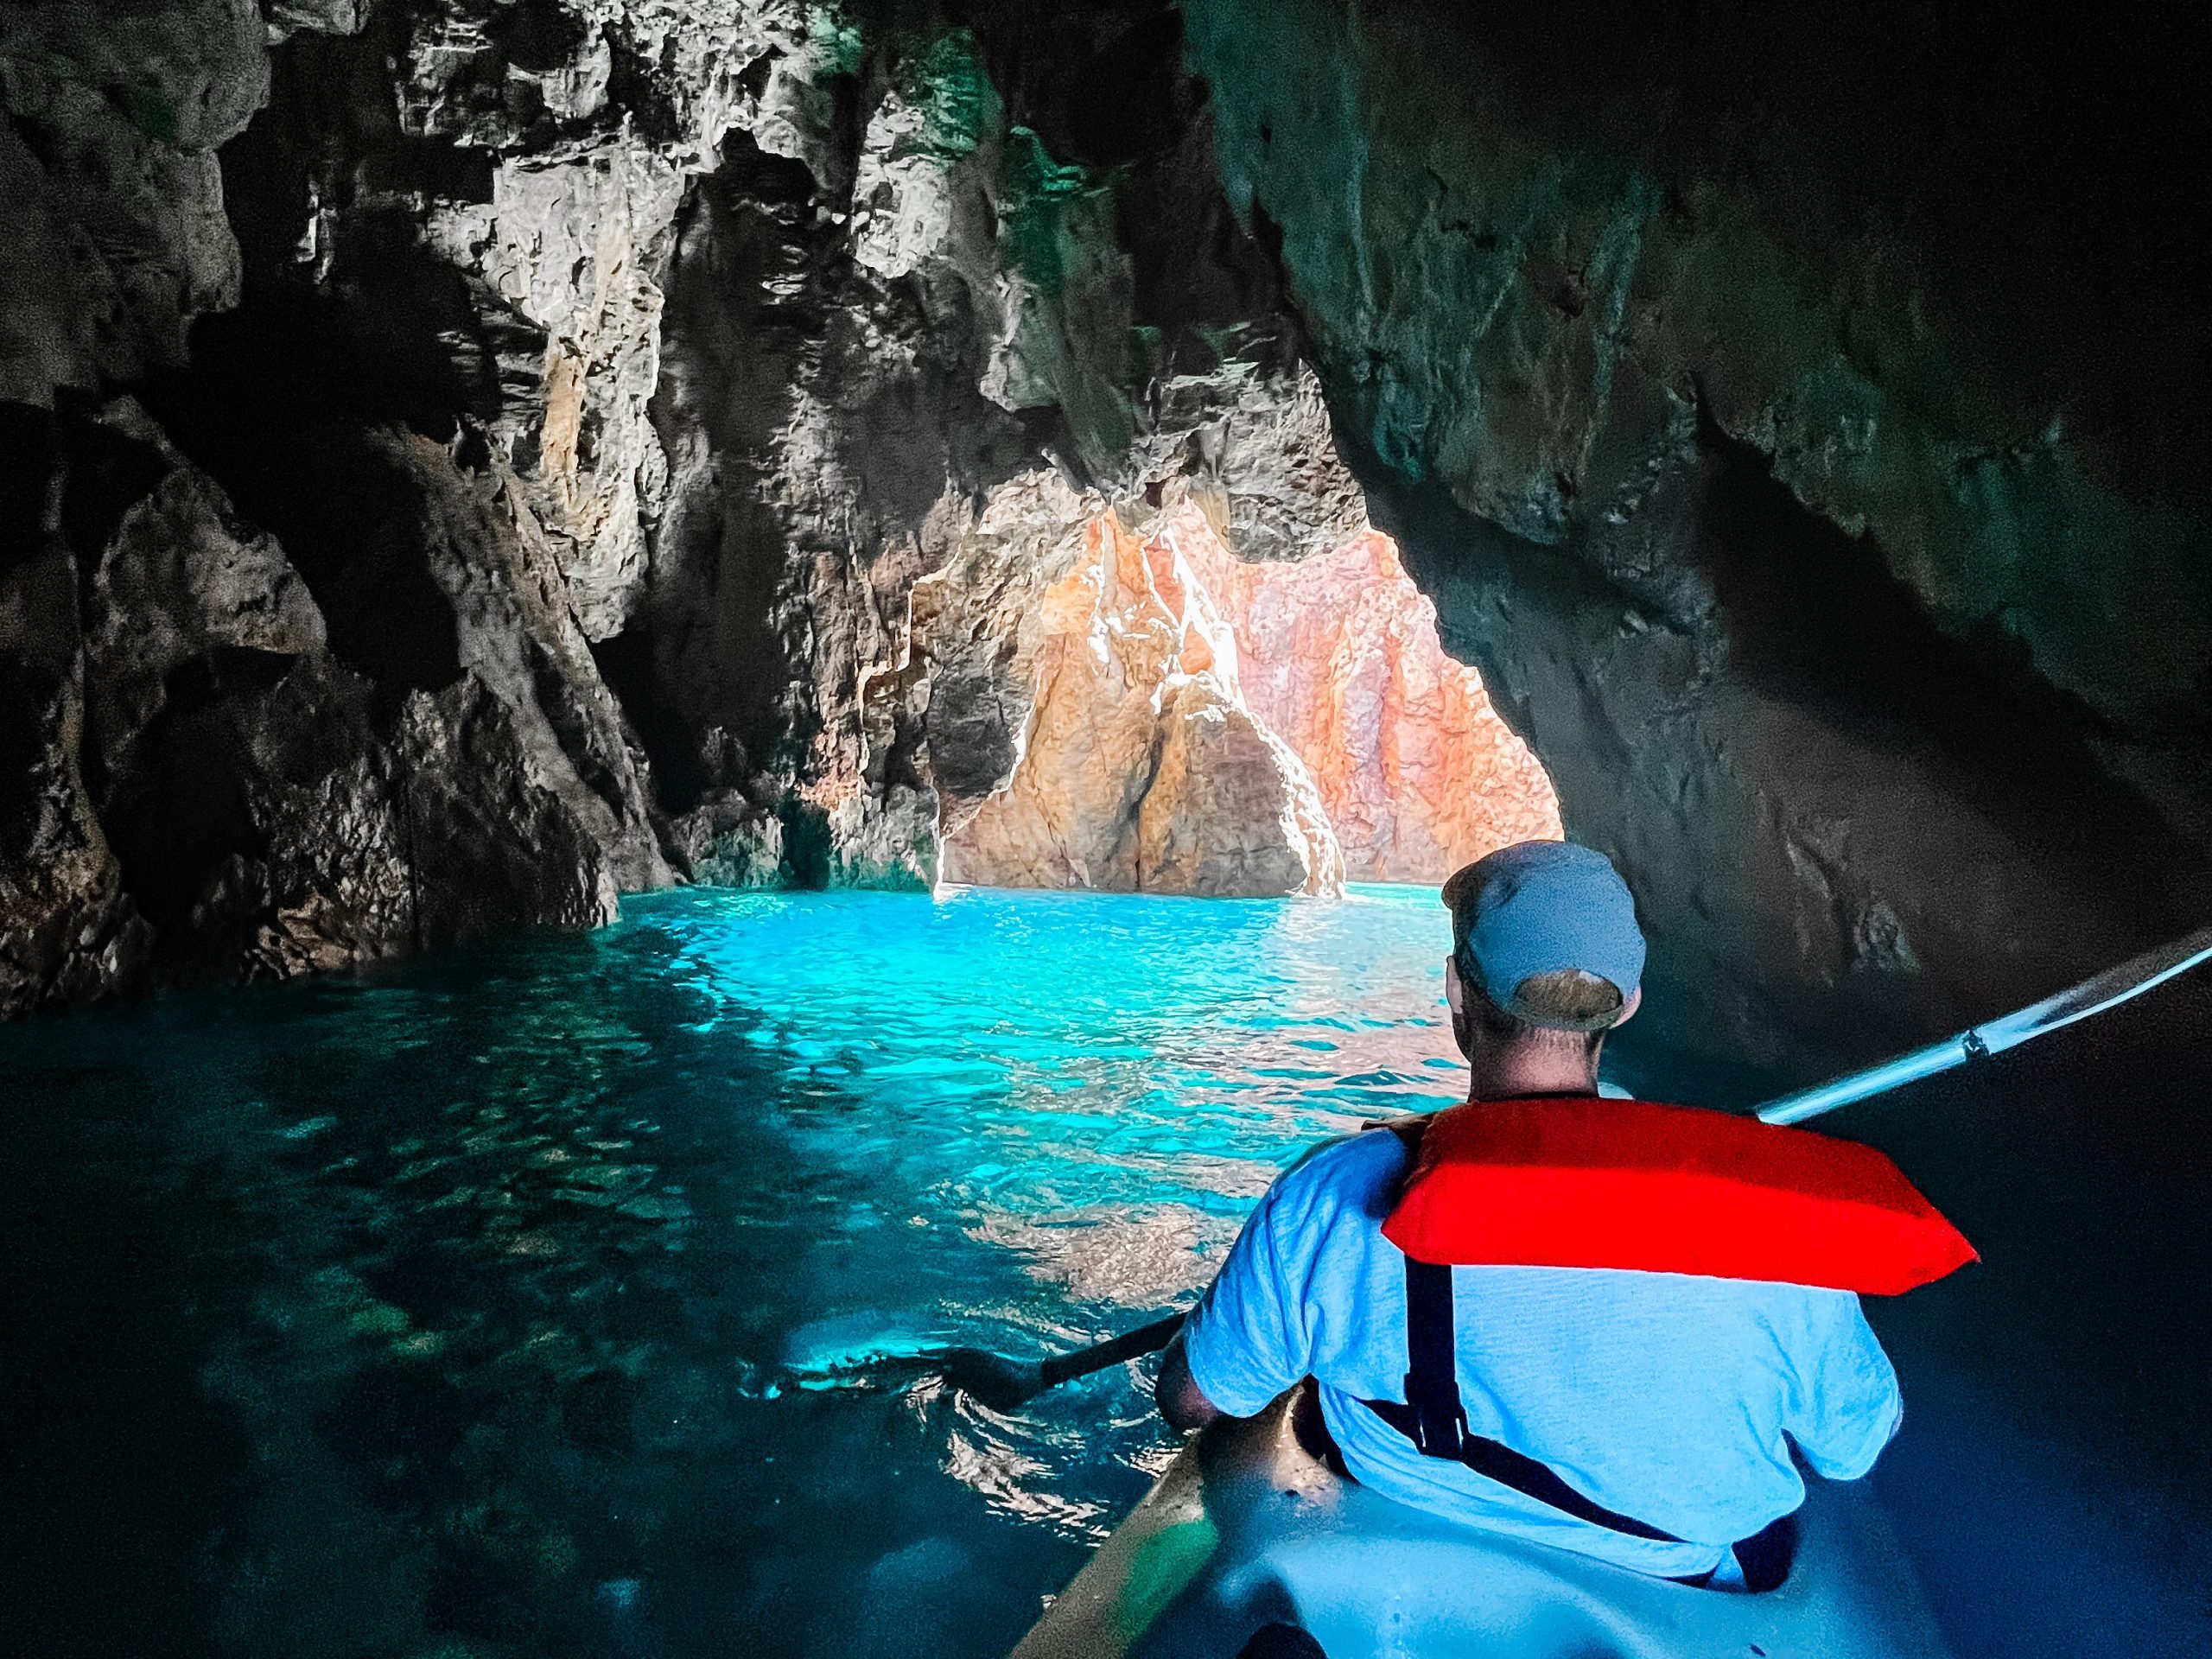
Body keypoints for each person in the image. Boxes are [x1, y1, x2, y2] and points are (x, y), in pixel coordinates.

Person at [1154, 840, 1903, 1591]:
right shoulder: (1767, 1227)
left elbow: (1192, 1400)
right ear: (1629, 1002)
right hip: (1664, 1593)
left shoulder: (1330, 1193)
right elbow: (1855, 1445)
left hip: (1384, 1560)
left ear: (1455, 989)